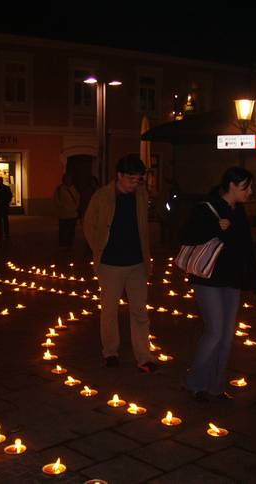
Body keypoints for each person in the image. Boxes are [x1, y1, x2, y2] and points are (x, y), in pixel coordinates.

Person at [181, 167, 256, 402]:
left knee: (226, 335)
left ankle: (216, 387)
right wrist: (215, 227)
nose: (249, 192)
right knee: (215, 331)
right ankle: (195, 382)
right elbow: (187, 235)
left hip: (232, 280)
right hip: (208, 279)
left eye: (249, 187)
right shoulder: (207, 207)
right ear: (231, 186)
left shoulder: (239, 212)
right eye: (245, 187)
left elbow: (247, 250)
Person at [83, 154, 157, 373]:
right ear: (120, 176)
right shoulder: (102, 196)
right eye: (132, 179)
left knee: (140, 311)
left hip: (137, 263)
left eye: (138, 180)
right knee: (109, 311)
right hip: (110, 264)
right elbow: (90, 225)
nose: (135, 184)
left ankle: (144, 356)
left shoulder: (141, 195)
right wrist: (100, 248)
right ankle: (110, 352)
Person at [54, 173, 80, 249]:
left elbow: (78, 199)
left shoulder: (74, 188)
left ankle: (69, 244)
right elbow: (56, 200)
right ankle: (62, 245)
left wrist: (75, 207)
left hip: (73, 214)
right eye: (67, 179)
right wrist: (63, 207)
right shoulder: (59, 189)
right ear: (64, 180)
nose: (68, 180)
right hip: (63, 214)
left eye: (69, 178)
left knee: (71, 231)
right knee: (63, 230)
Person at [0, 176, 13, 242]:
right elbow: (10, 196)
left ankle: (0, 234)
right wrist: (7, 202)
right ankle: (6, 233)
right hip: (4, 206)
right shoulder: (6, 188)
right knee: (5, 220)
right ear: (2, 181)